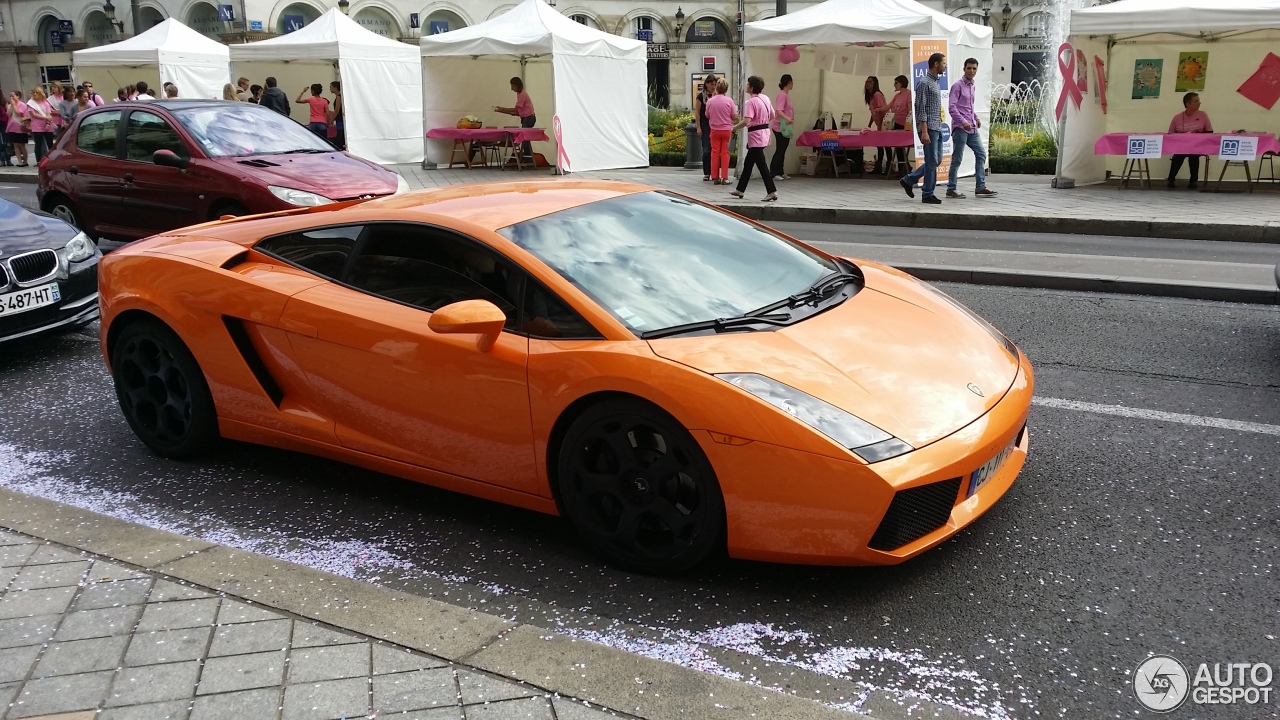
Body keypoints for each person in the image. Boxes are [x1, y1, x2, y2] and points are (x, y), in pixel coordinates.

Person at [946, 58, 996, 199]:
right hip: (961, 128)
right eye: (969, 68)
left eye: (974, 68)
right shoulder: (958, 85)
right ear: (964, 69)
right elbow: (952, 107)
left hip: (972, 127)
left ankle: (980, 187)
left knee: (981, 154)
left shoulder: (972, 86)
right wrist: (962, 122)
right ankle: (951, 188)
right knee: (957, 158)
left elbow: (969, 107)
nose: (972, 71)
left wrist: (976, 118)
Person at [901, 52, 946, 205]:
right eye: (943, 63)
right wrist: (924, 130)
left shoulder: (936, 82)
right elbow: (920, 108)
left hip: (937, 127)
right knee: (932, 161)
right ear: (936, 64)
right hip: (929, 128)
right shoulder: (924, 83)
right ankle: (928, 193)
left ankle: (909, 180)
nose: (945, 65)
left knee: (936, 160)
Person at [730, 75, 777, 202]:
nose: (746, 86)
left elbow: (746, 121)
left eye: (747, 84)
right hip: (764, 132)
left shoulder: (750, 102)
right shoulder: (765, 98)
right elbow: (772, 115)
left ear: (751, 87)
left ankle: (771, 191)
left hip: (755, 135)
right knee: (749, 163)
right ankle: (740, 189)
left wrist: (734, 128)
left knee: (761, 165)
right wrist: (762, 121)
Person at [1167, 91, 1213, 189]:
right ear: (1188, 104)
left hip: (1197, 145)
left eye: (1199, 101)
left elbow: (1209, 132)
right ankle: (1170, 179)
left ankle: (1193, 181)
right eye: (1196, 101)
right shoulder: (1177, 118)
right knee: (1178, 157)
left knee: (1193, 156)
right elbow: (1170, 134)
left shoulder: (1203, 115)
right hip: (1181, 146)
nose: (1199, 103)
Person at [494, 77, 535, 164]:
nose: (511, 88)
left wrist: (502, 109)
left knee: (525, 139)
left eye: (513, 86)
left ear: (517, 86)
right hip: (526, 117)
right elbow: (519, 110)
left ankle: (528, 159)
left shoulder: (522, 94)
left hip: (528, 118)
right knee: (525, 139)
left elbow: (516, 109)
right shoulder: (520, 94)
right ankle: (527, 158)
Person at [706, 78, 737, 185]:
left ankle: (715, 177)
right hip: (727, 130)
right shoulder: (729, 101)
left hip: (714, 130)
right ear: (726, 89)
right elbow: (734, 116)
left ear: (717, 88)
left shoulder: (710, 101)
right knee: (725, 153)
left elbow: (707, 115)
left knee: (714, 153)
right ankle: (725, 177)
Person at [885, 74, 912, 176]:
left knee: (901, 147)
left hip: (904, 123)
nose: (894, 85)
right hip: (895, 123)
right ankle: (903, 168)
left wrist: (909, 121)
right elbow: (888, 106)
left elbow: (909, 108)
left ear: (902, 83)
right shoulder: (897, 96)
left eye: (896, 83)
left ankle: (904, 168)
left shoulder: (908, 93)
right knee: (897, 147)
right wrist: (879, 109)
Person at [769, 74, 794, 181]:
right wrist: (788, 118)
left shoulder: (785, 95)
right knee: (780, 149)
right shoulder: (782, 95)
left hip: (785, 127)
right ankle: (774, 172)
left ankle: (780, 171)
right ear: (788, 83)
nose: (793, 84)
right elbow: (779, 110)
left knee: (783, 149)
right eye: (792, 82)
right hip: (780, 126)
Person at [693, 74, 716, 181]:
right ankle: (707, 172)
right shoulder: (701, 96)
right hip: (705, 124)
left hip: (716, 123)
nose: (713, 86)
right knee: (707, 149)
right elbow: (697, 113)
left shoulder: (717, 95)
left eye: (715, 84)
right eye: (711, 84)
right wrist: (698, 127)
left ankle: (715, 171)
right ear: (706, 84)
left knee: (715, 150)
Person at [864, 76, 888, 174]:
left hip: (884, 123)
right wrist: (870, 124)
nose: (867, 84)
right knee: (879, 145)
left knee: (886, 145)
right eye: (866, 81)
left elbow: (882, 109)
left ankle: (887, 168)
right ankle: (878, 167)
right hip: (879, 123)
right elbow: (873, 113)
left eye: (870, 82)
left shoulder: (877, 94)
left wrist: (883, 125)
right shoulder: (870, 96)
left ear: (875, 84)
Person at [26, 87, 54, 162]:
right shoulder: (30, 103)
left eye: (37, 92)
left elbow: (49, 113)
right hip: (37, 126)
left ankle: (52, 159)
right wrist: (45, 117)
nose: (35, 94)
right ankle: (38, 160)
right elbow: (33, 114)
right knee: (38, 144)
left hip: (47, 125)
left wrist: (48, 123)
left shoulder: (46, 103)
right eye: (33, 92)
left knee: (50, 143)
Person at [5, 91, 28, 166]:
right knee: (15, 145)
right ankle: (19, 162)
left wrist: (14, 105)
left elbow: (19, 114)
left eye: (13, 96)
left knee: (21, 145)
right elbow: (8, 114)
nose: (12, 98)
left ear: (18, 96)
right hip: (12, 127)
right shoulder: (10, 105)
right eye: (10, 96)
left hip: (20, 126)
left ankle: (25, 161)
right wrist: (11, 106)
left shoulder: (22, 105)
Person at [328, 81, 345, 150]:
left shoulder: (339, 97)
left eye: (331, 87)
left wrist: (332, 119)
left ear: (335, 88)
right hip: (339, 119)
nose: (330, 89)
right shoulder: (340, 96)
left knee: (340, 135)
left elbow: (337, 110)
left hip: (340, 119)